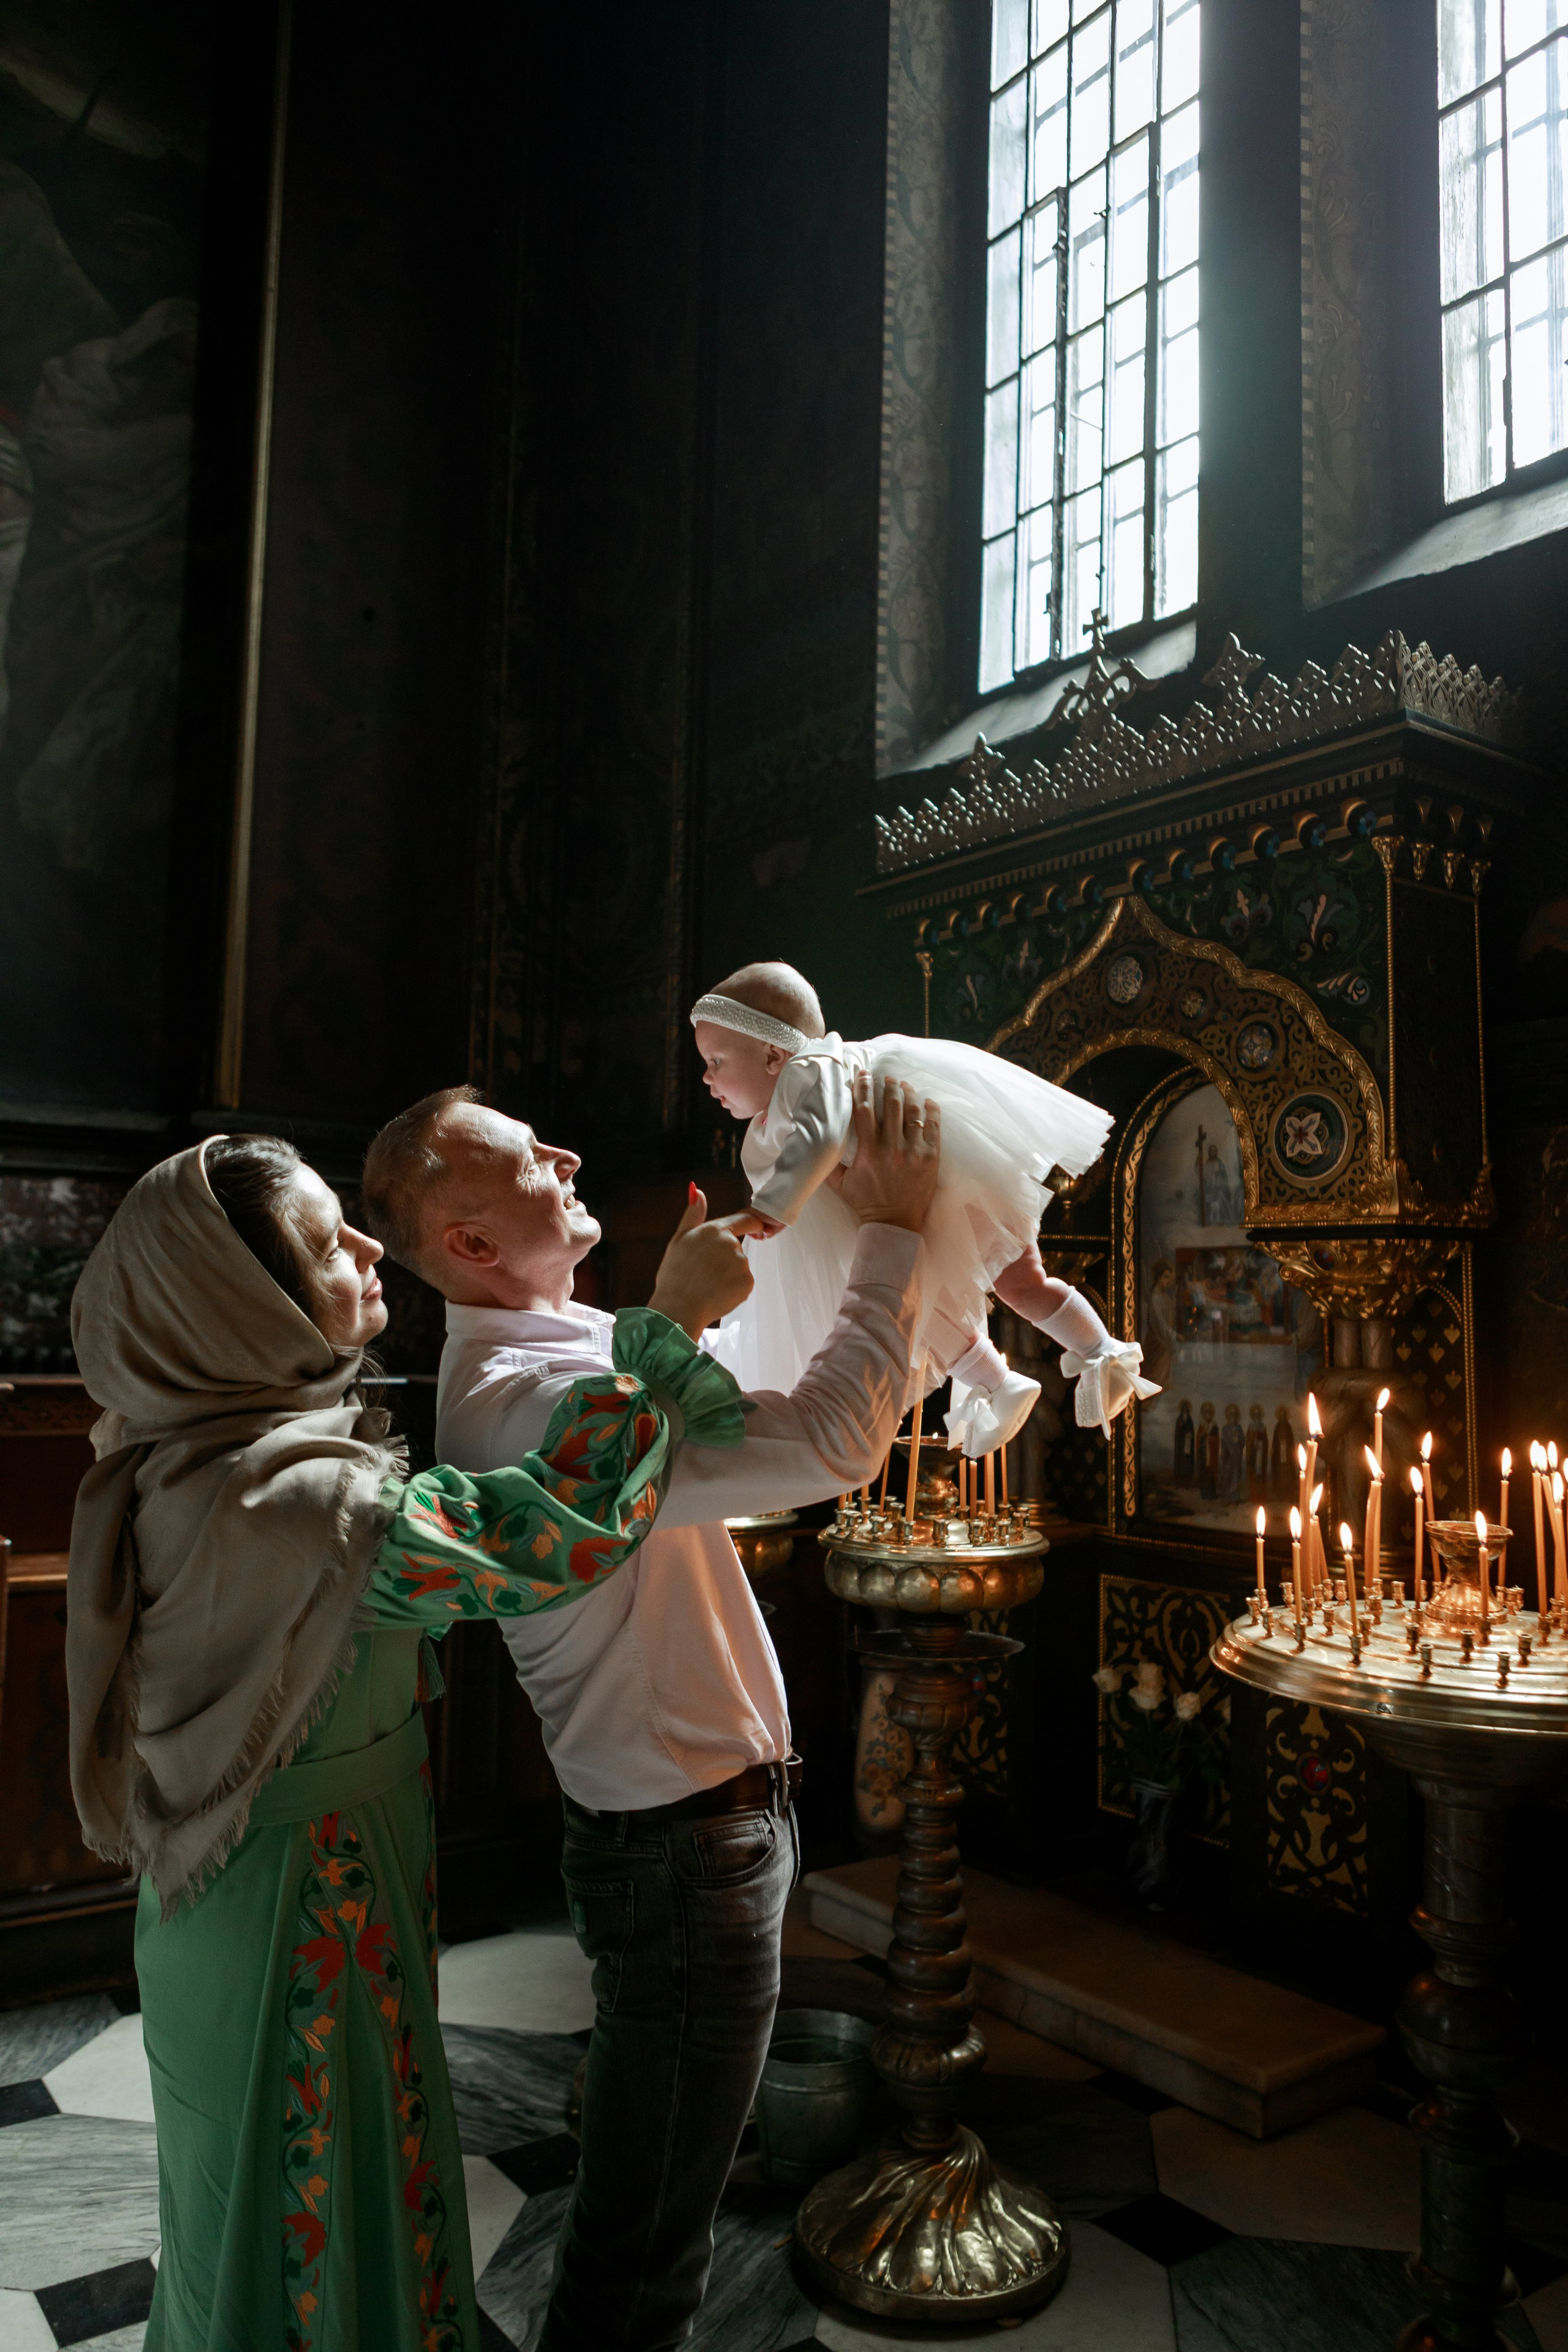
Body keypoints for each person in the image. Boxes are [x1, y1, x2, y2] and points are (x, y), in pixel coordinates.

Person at [65, 1133, 751, 2352]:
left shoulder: (198, 1448)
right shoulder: (293, 1503)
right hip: (296, 1918)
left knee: (265, 2217)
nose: (375, 1248)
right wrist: (669, 1325)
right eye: (332, 1241)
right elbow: (548, 1536)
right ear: (246, 1303)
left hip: (260, 1897)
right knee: (312, 2223)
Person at [359, 1072, 941, 2352]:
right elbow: (833, 1446)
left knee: (652, 2213)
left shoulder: (580, 1349)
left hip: (707, 1834)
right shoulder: (522, 1401)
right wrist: (893, 1234)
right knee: (641, 2260)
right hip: (680, 1855)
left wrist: (787, 1249)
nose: (564, 1148)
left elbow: (749, 1403)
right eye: (523, 1153)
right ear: (466, 1243)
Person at [690, 960, 1159, 1453]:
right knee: (1014, 1285)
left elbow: (822, 1137)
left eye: (716, 1062)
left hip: (928, 1189)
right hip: (947, 1184)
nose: (706, 1078)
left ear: (772, 1055)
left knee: (926, 1309)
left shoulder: (807, 1074)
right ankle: (1093, 1352)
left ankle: (1027, 1375)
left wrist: (772, 1209)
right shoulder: (802, 1087)